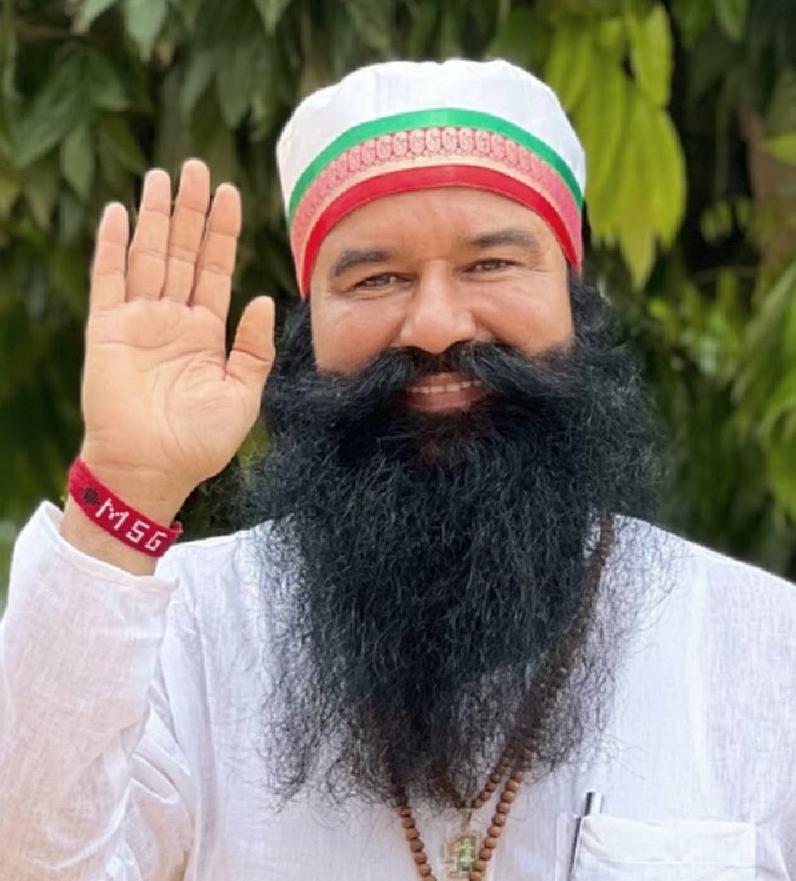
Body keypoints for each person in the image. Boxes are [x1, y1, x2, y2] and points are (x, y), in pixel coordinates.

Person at [1, 57, 795, 881]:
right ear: (313, 327)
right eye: (376, 278)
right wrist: (125, 489)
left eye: (491, 264)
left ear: (574, 300)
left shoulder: (765, 649)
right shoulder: (191, 633)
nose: (436, 324)